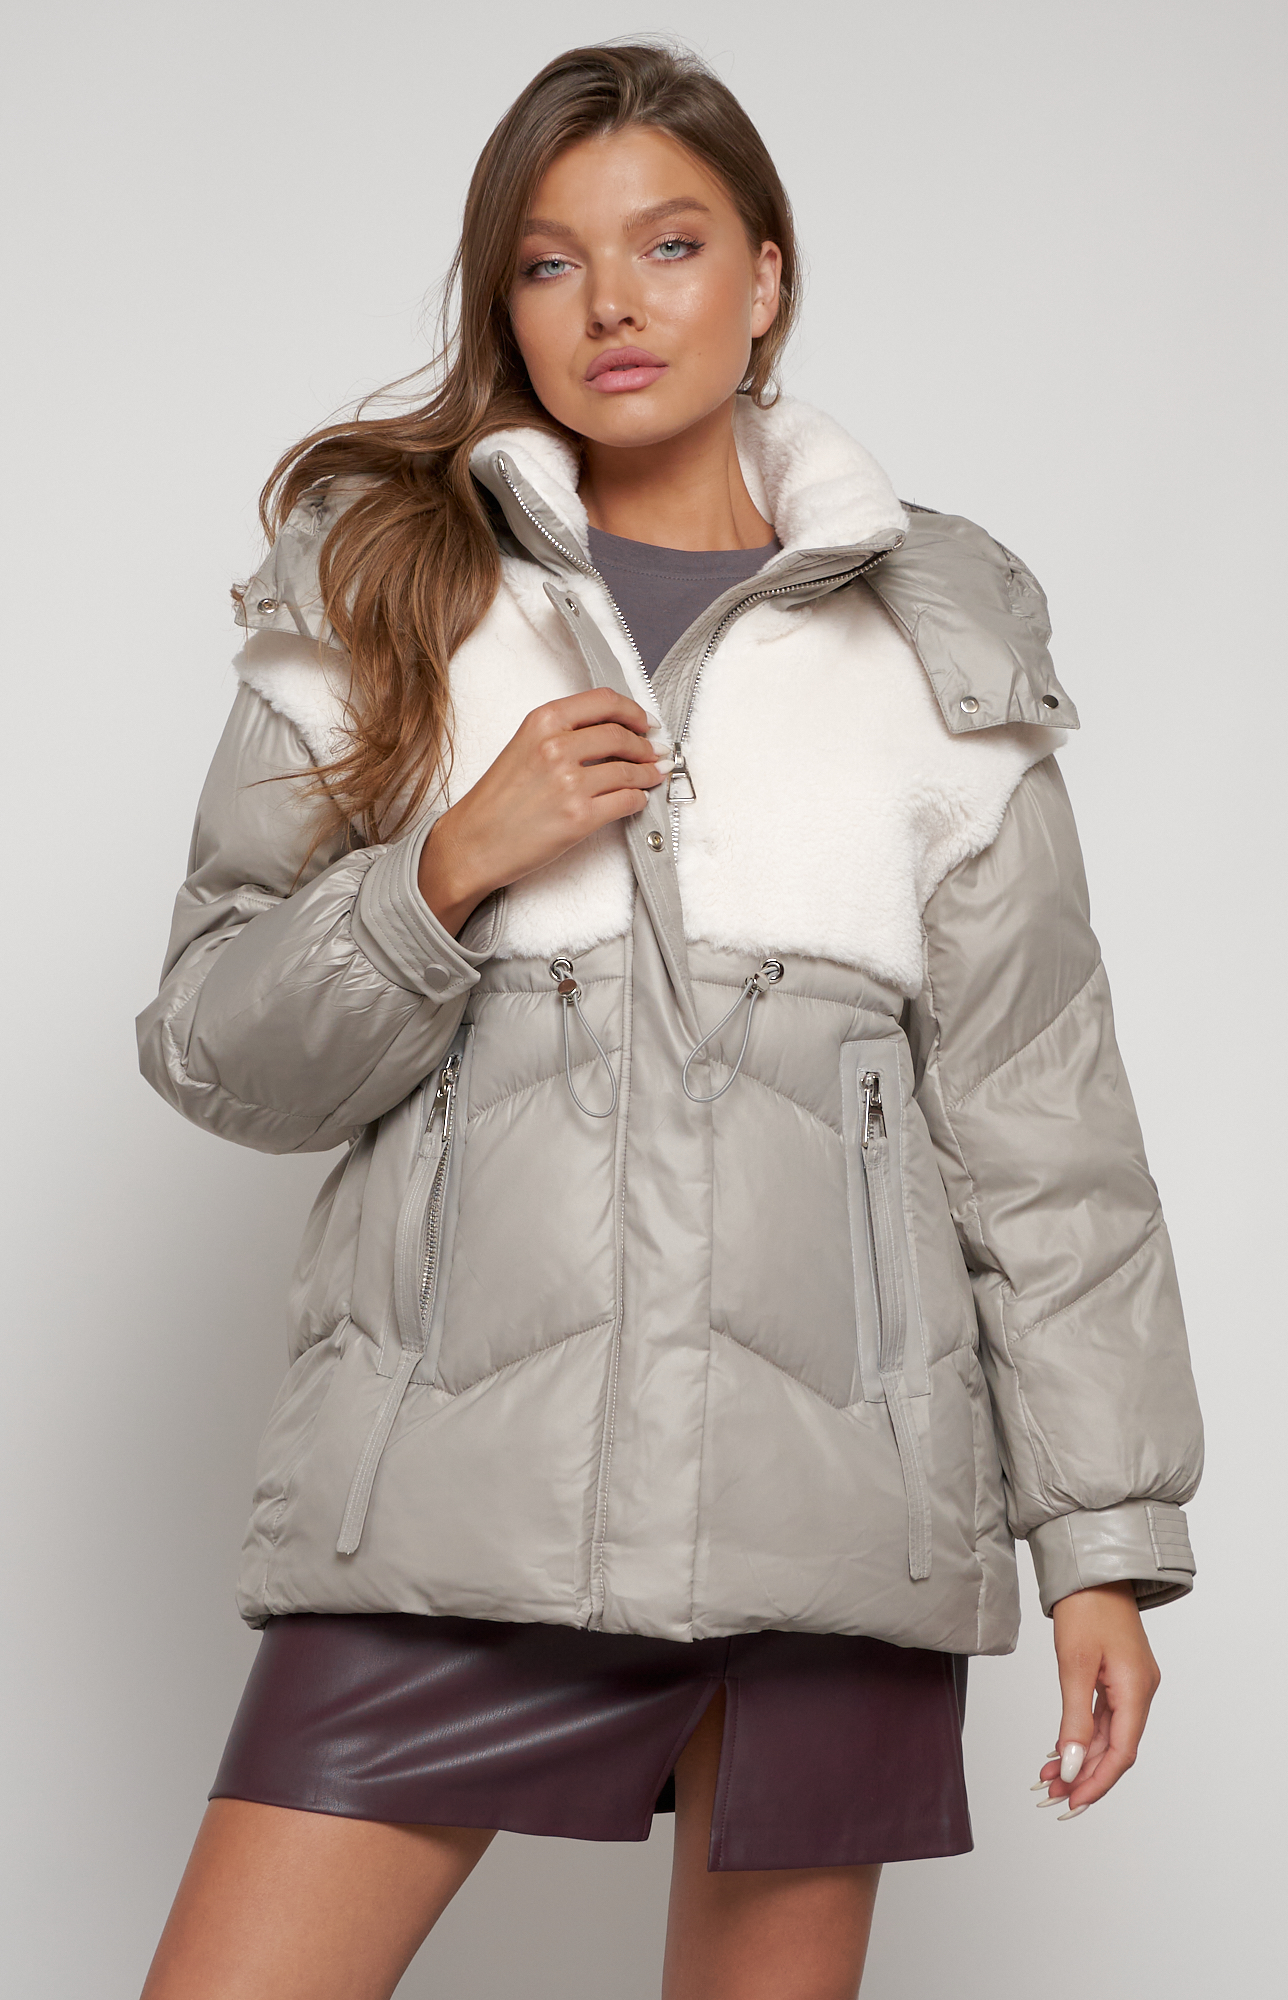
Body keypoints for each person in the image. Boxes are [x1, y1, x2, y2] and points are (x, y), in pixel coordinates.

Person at [135, 41, 1203, 2000]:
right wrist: (449, 864)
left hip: (835, 1521)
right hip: (450, 1512)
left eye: (671, 243)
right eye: (551, 262)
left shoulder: (937, 647)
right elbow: (214, 1043)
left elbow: (1046, 1130)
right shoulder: (386, 594)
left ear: (768, 276)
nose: (612, 303)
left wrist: (1104, 1548)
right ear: (506, 300)